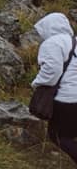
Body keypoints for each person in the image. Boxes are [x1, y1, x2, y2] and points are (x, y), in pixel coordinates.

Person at [32, 12, 77, 163]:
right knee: (71, 132)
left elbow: (52, 70)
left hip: (67, 99)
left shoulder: (52, 43)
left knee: (58, 135)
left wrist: (37, 83)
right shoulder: (75, 41)